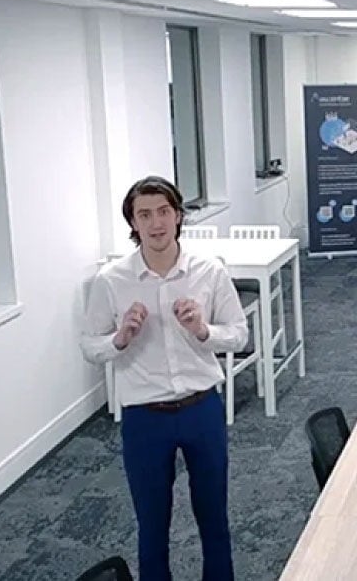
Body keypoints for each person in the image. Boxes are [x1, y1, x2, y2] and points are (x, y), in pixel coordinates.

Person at [81, 176, 248, 581]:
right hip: (144, 416)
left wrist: (204, 330)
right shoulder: (112, 281)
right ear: (133, 223)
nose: (156, 223)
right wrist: (119, 339)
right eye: (144, 214)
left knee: (214, 519)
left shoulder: (208, 272)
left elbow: (240, 333)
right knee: (152, 526)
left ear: (178, 216)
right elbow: (90, 345)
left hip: (201, 408)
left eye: (163, 212)